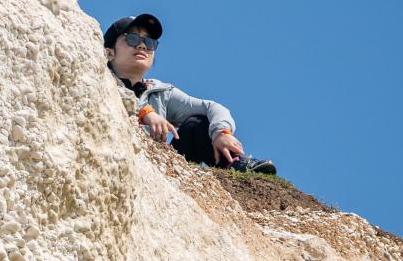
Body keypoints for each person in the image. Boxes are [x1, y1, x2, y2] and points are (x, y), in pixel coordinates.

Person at [103, 14, 276, 173]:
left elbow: (212, 107)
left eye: (149, 42)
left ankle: (235, 164)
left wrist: (221, 133)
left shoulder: (159, 91)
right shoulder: (96, 78)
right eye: (132, 38)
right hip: (114, 160)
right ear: (109, 52)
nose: (142, 45)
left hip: (159, 171)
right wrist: (145, 112)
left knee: (196, 124)